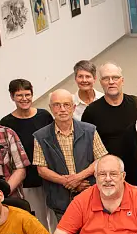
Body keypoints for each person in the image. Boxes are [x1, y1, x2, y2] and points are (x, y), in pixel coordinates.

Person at [33, 89, 108, 220]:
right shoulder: (40, 136)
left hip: (90, 196)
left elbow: (101, 159)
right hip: (60, 201)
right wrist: (68, 182)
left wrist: (78, 177)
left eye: (66, 104)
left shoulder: (90, 130)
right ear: (51, 108)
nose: (62, 109)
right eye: (57, 105)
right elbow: (41, 170)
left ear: (73, 107)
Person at [0, 79, 54, 229]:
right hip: (28, 181)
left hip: (50, 175)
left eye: (27, 94)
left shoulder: (44, 116)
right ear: (12, 97)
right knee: (38, 219)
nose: (24, 99)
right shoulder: (6, 122)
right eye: (19, 95)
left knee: (55, 216)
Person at [80, 63, 137, 158]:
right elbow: (86, 147)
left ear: (122, 81)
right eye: (106, 78)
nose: (111, 82)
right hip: (108, 170)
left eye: (115, 78)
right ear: (101, 82)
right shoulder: (91, 112)